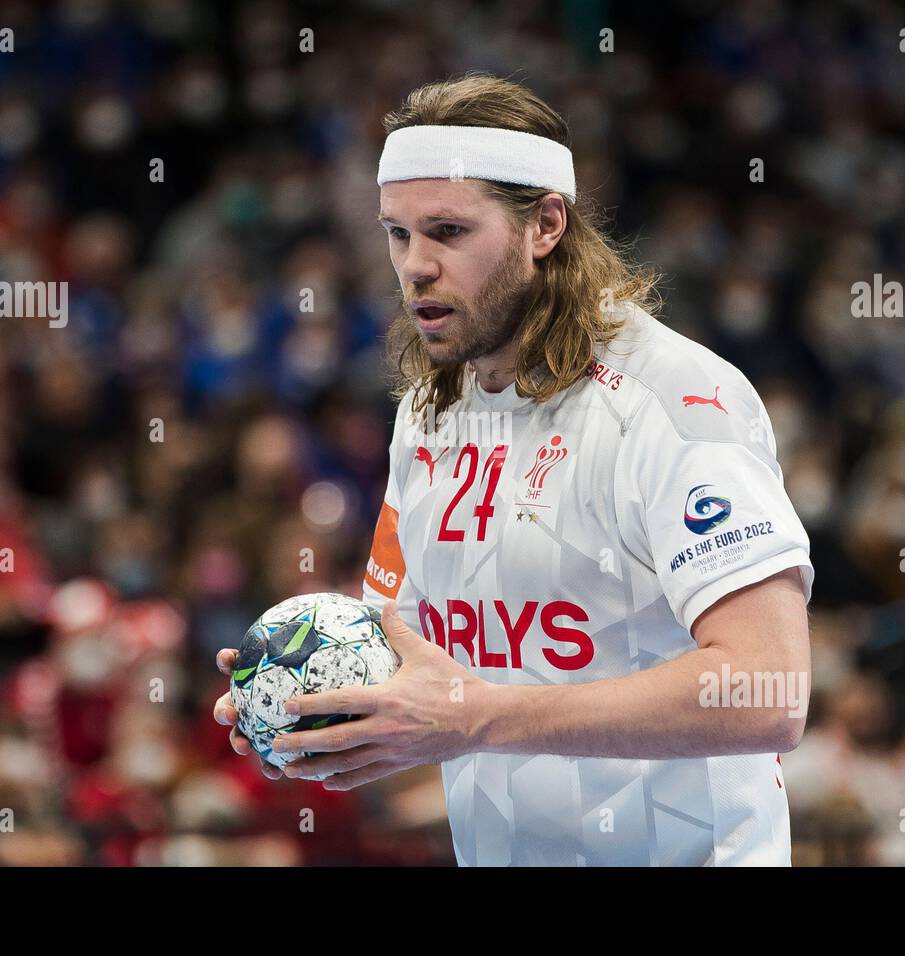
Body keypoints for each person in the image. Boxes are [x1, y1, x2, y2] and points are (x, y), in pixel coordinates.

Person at [215, 73, 814, 866]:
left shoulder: (677, 402)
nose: (414, 267)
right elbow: (408, 652)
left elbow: (769, 691)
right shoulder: (426, 415)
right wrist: (309, 706)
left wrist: (477, 716)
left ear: (545, 226)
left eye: (448, 232)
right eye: (396, 234)